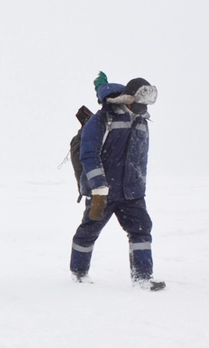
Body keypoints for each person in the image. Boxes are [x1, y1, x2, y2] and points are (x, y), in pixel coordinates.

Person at [69, 75, 165, 291]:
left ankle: (143, 278)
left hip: (132, 193)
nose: (144, 104)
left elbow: (141, 159)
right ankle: (79, 274)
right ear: (130, 98)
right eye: (141, 98)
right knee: (89, 231)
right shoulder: (102, 119)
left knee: (141, 230)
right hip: (103, 191)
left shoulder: (142, 122)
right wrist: (99, 187)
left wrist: (139, 186)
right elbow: (88, 154)